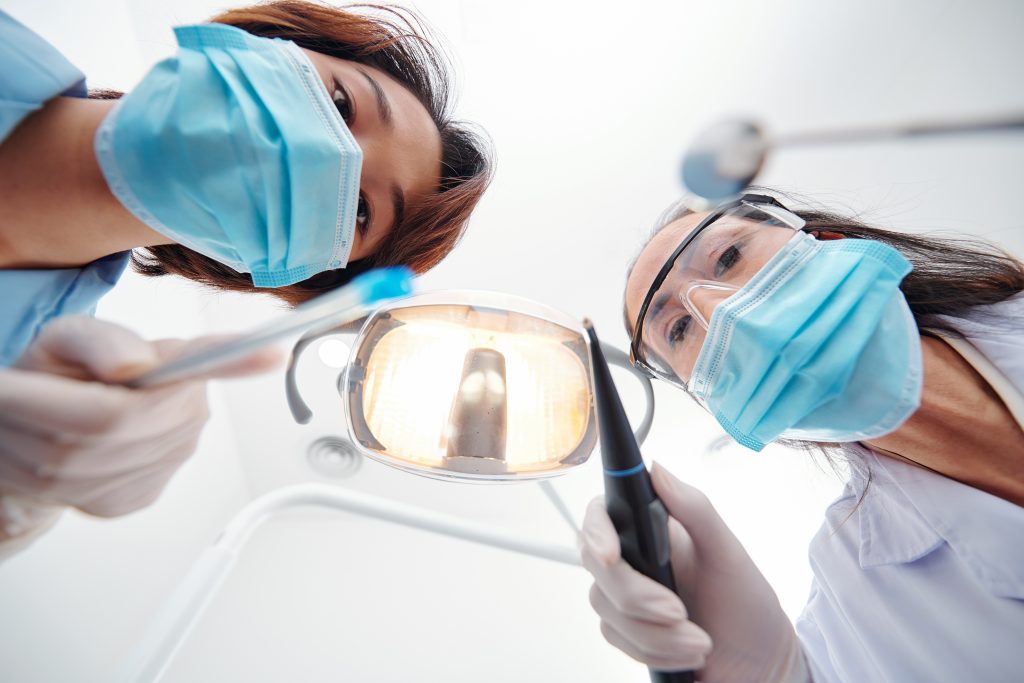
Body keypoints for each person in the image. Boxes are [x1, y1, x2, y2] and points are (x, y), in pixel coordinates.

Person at [0, 1, 491, 556]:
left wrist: (16, 508)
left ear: (294, 271)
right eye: (341, 102)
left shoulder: (35, 383)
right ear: (269, 39)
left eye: (358, 210)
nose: (324, 153)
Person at [581, 192, 1024, 681]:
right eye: (680, 328)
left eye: (728, 257)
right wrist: (771, 671)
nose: (721, 310)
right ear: (706, 395)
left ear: (824, 242)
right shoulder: (857, 592)